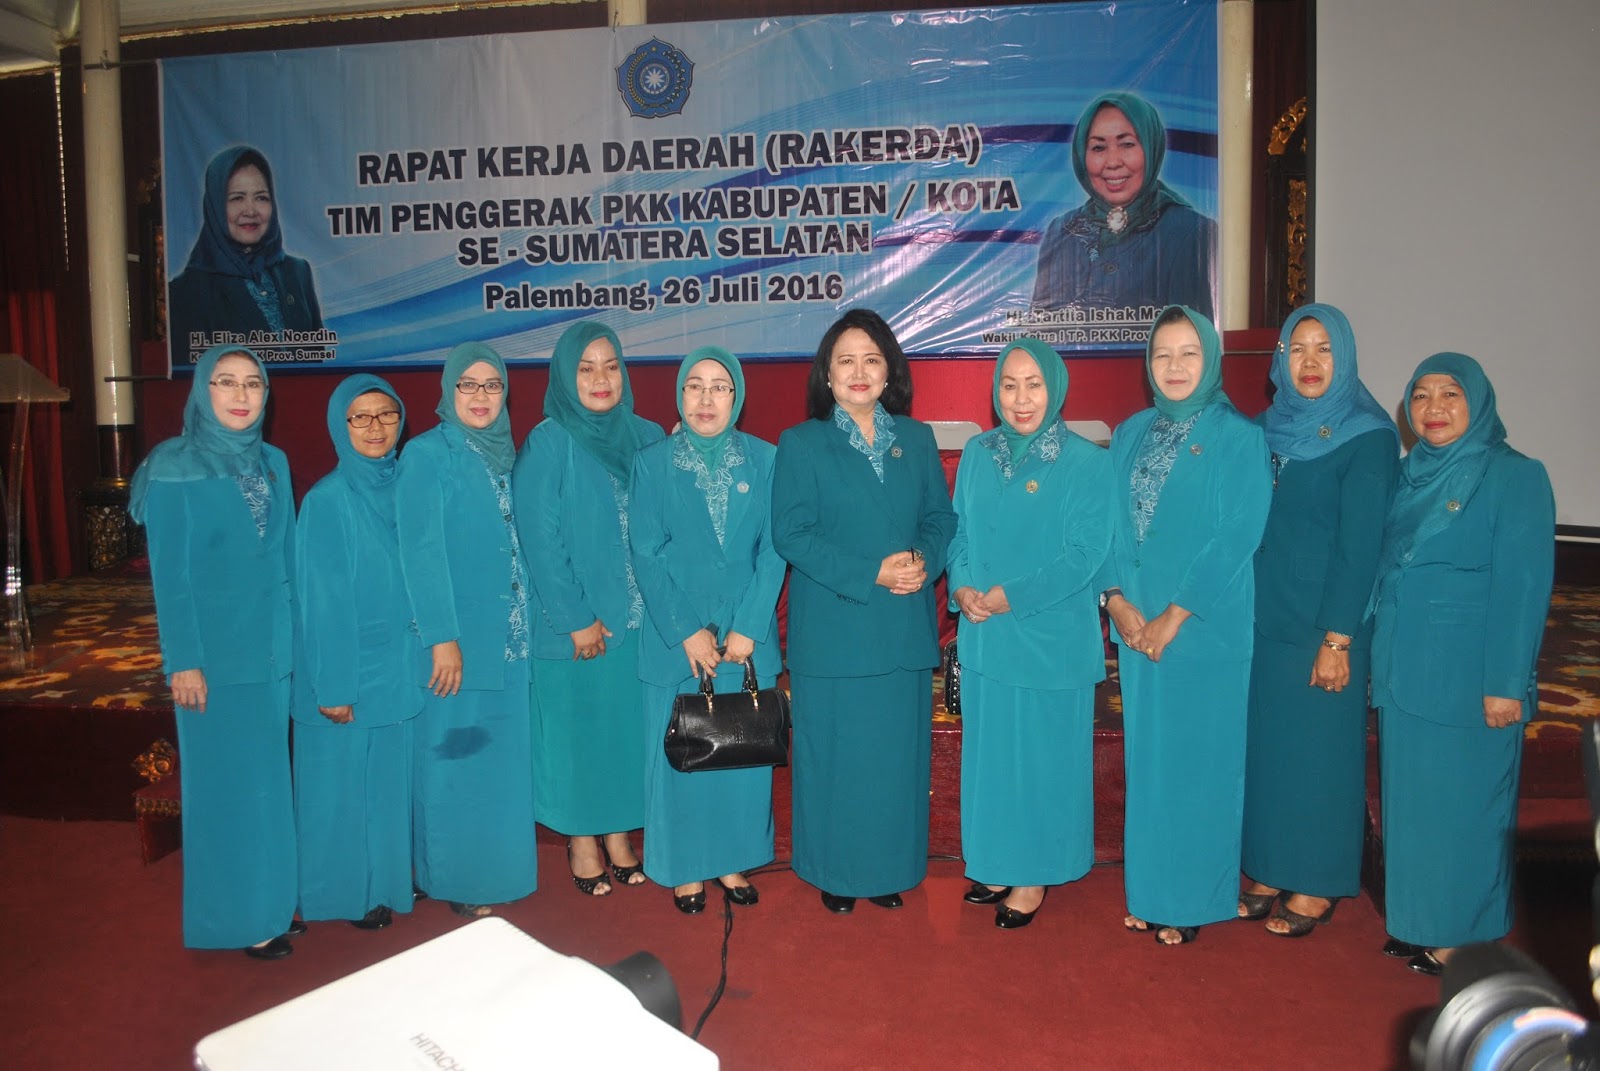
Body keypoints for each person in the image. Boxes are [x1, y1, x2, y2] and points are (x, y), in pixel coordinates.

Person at [1369, 353, 1554, 976]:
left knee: (1472, 808)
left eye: (1450, 394)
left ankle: (1469, 937)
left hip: (1470, 676)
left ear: (1478, 402)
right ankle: (1420, 923)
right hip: (1403, 668)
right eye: (1420, 396)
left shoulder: (1513, 476)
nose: (1433, 409)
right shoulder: (1406, 475)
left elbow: (1523, 590)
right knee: (1415, 807)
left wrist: (1507, 683)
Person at [772, 308, 958, 914]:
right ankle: (834, 873)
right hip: (835, 627)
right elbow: (791, 535)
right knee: (835, 758)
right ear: (826, 374)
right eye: (845, 360)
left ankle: (885, 871)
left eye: (871, 359)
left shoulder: (917, 438)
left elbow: (940, 518)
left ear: (889, 371)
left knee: (892, 761)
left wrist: (925, 560)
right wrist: (871, 571)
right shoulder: (802, 444)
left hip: (901, 626)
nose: (859, 371)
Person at [1096, 305, 1271, 945]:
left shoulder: (1240, 437)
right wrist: (1114, 599)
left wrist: (1174, 614)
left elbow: (1236, 536)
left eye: (1188, 354)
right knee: (1152, 765)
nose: (1174, 367)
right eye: (1163, 354)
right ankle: (1152, 891)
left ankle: (1192, 901)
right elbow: (1106, 526)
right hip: (1135, 625)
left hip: (1203, 630)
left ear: (1211, 361)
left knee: (1201, 766)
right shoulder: (1130, 432)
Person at [129, 344, 299, 959]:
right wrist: (183, 661)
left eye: (253, 383)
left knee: (268, 787)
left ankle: (273, 900)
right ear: (203, 391)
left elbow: (283, 561)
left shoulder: (274, 461)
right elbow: (169, 579)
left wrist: (295, 645)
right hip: (212, 662)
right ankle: (234, 918)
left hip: (272, 654)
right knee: (224, 791)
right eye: (225, 382)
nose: (240, 394)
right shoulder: (174, 467)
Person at [1238, 304, 1399, 937]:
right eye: (1297, 348)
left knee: (1320, 756)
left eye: (1324, 349)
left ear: (1346, 358)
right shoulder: (1265, 429)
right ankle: (1272, 867)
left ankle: (1317, 878)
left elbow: (1362, 549)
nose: (1309, 362)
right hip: (1262, 615)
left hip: (1324, 625)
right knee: (1271, 751)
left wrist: (1338, 638)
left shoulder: (1368, 437)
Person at [948, 337, 1113, 929]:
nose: (1020, 399)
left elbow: (1086, 555)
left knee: (1043, 761)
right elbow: (958, 531)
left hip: (1049, 639)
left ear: (1056, 388)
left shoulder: (1088, 462)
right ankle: (995, 861)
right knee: (991, 759)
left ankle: (1034, 873)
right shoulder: (977, 452)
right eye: (1010, 385)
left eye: (1033, 384)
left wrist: (1008, 595)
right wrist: (963, 586)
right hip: (986, 633)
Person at [628, 346, 786, 913]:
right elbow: (645, 553)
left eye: (720, 387)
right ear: (679, 395)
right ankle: (685, 868)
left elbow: (774, 549)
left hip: (746, 641)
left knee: (740, 757)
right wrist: (687, 631)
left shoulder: (767, 460)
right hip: (678, 641)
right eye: (694, 386)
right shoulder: (652, 463)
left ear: (737, 397)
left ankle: (733, 861)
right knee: (681, 759)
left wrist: (748, 628)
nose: (706, 399)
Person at [514, 321, 664, 896]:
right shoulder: (548, 443)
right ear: (564, 376)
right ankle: (581, 842)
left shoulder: (648, 435)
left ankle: (620, 836)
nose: (601, 379)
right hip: (578, 626)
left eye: (610, 366)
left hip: (637, 625)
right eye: (586, 368)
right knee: (578, 737)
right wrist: (575, 619)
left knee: (623, 736)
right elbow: (540, 541)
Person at [396, 341, 537, 916]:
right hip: (459, 642)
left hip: (512, 637)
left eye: (492, 385)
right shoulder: (427, 455)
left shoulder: (510, 453)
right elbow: (420, 552)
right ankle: (457, 880)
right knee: (455, 763)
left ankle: (495, 876)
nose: (481, 397)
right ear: (448, 392)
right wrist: (441, 637)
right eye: (468, 385)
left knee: (500, 769)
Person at [292, 374, 422, 932]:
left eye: (386, 415)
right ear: (339, 426)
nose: (375, 429)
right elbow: (322, 604)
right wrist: (335, 687)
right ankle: (347, 893)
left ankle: (388, 881)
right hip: (346, 669)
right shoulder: (327, 500)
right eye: (360, 418)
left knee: (388, 785)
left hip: (398, 665)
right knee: (343, 788)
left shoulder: (409, 487)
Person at [1032, 92, 1216, 323]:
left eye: (1127, 144)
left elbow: (1195, 342)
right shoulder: (1062, 231)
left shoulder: (1192, 232)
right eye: (1098, 148)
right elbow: (1040, 334)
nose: (1112, 162)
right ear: (1082, 154)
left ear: (1151, 148)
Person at [168, 146, 325, 366]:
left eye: (261, 198)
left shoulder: (297, 272)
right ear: (215, 205)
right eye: (236, 198)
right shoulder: (188, 291)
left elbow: (318, 360)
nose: (250, 210)